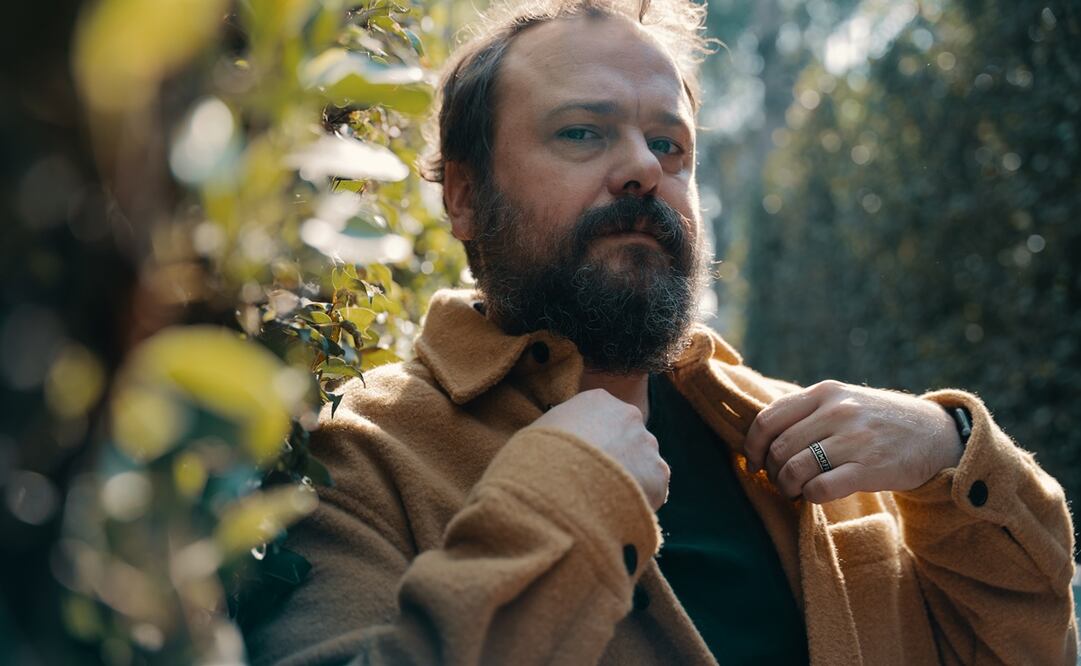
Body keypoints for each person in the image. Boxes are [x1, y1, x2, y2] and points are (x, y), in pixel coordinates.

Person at [247, 1, 1078, 663]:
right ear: (462, 197)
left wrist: (950, 447)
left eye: (668, 144)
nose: (644, 167)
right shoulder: (366, 455)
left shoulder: (811, 440)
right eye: (581, 131)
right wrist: (561, 498)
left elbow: (1031, 649)